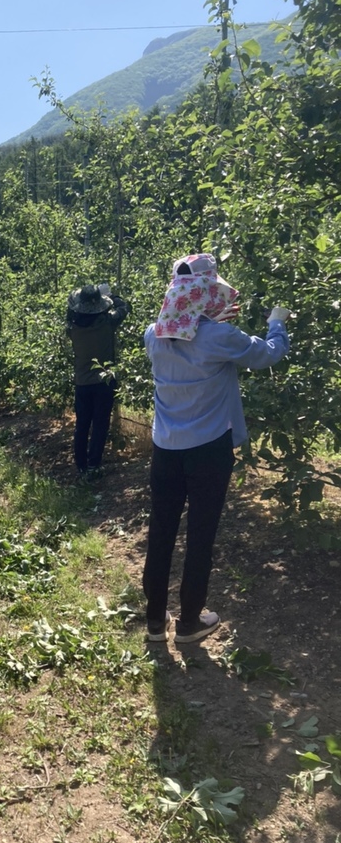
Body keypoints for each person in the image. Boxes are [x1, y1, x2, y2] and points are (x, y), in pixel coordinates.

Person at [143, 253, 290, 644]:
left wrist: (210, 323)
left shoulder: (152, 334)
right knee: (200, 534)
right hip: (208, 450)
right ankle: (190, 622)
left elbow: (189, 337)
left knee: (161, 530)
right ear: (207, 292)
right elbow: (268, 353)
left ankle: (155, 621)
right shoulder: (220, 338)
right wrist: (277, 323)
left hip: (165, 449)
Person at [66, 282, 130, 476]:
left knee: (82, 424)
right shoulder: (107, 322)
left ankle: (81, 465)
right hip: (104, 381)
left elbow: (69, 312)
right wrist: (111, 295)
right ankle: (94, 464)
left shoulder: (72, 328)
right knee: (100, 424)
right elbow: (124, 308)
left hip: (82, 382)